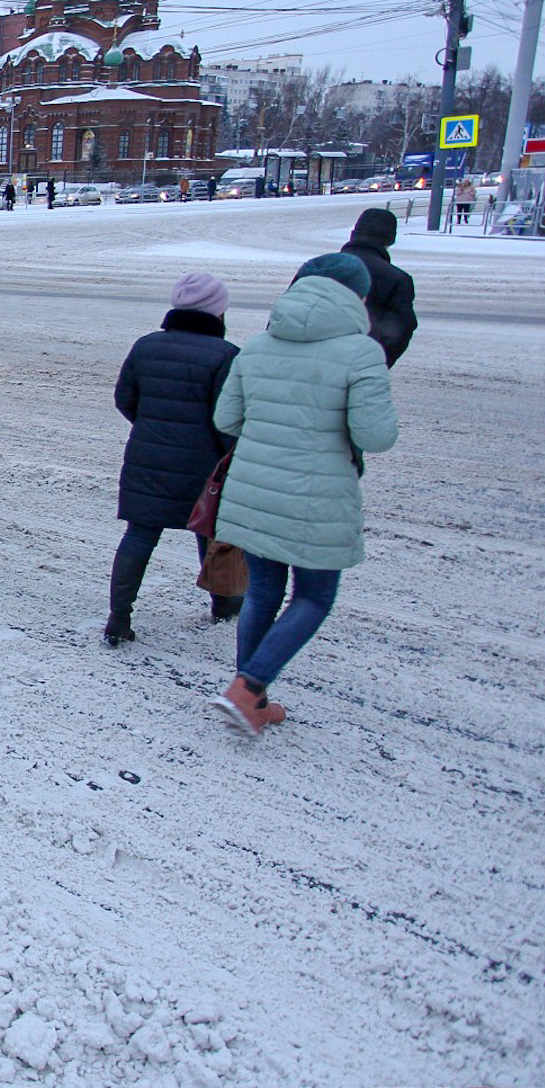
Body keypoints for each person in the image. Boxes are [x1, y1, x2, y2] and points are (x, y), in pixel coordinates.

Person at [208, 253, 398, 734]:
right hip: (317, 499)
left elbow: (225, 420)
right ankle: (248, 687)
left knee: (263, 593)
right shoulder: (361, 353)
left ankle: (252, 698)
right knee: (313, 597)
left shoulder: (257, 348)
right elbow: (376, 436)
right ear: (357, 297)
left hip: (255, 492)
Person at [105, 272, 239, 647]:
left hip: (146, 455)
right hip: (204, 465)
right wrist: (225, 454)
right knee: (209, 530)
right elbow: (227, 418)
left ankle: (118, 618)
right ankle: (224, 604)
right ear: (217, 311)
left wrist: (152, 427)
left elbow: (125, 399)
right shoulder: (226, 356)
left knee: (140, 533)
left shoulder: (146, 346)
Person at [338, 206, 418, 366]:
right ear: (390, 240)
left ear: (353, 235)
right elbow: (399, 331)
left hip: (302, 371)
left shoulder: (317, 267)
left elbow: (285, 316)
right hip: (358, 364)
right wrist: (376, 366)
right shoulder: (397, 279)